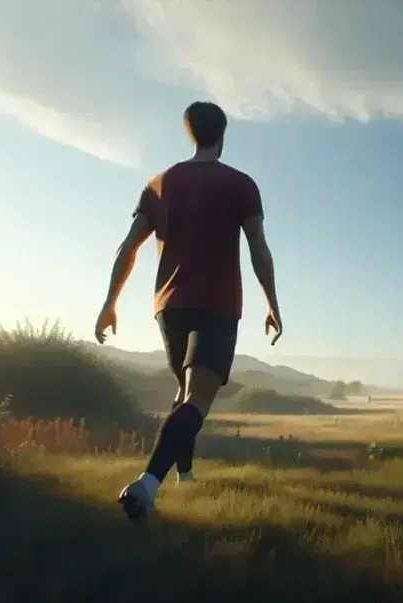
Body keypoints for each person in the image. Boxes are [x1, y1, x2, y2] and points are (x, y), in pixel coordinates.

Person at [93, 101, 283, 521]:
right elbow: (259, 250)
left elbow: (127, 248)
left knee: (184, 395)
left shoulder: (159, 183)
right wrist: (272, 303)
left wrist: (109, 303)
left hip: (169, 306)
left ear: (189, 132)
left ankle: (185, 475)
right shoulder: (240, 184)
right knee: (197, 399)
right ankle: (146, 485)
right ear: (223, 136)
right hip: (216, 304)